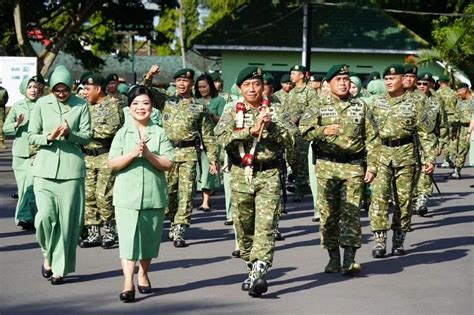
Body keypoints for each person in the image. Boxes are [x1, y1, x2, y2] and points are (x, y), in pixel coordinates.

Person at [215, 66, 294, 297]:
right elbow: (222, 138)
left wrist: (271, 128)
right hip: (241, 174)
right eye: (247, 85)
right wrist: (251, 130)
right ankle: (252, 266)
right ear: (240, 88)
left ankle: (260, 270)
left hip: (269, 174)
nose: (252, 89)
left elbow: (292, 139)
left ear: (264, 87)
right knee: (244, 227)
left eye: (257, 84)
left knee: (266, 225)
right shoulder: (231, 110)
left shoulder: (277, 110)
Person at [299, 64, 377, 275]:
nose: (343, 84)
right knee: (328, 214)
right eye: (339, 80)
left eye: (346, 80)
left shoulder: (360, 106)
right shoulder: (318, 104)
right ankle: (333, 259)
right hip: (327, 167)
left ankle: (349, 260)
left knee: (351, 212)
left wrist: (372, 166)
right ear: (329, 83)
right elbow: (304, 130)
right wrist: (323, 130)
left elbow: (372, 137)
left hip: (353, 166)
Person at [108, 85, 173, 303]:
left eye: (145, 103)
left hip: (153, 195)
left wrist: (148, 154)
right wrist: (133, 154)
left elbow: (168, 163)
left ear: (152, 107)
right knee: (127, 240)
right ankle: (128, 282)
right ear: (129, 108)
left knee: (149, 240)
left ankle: (144, 273)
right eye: (135, 104)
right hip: (126, 196)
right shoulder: (122, 133)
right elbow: (112, 163)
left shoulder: (160, 133)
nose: (140, 107)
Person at [28, 65, 92, 284]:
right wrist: (48, 136)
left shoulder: (81, 105)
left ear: (72, 88)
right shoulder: (41, 105)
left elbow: (87, 136)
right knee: (44, 217)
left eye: (65, 90)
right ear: (51, 88)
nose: (61, 94)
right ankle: (48, 254)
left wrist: (70, 134)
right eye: (57, 90)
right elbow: (31, 135)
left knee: (67, 222)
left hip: (71, 171)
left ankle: (60, 268)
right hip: (44, 170)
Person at [143, 65, 217, 247]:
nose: (182, 84)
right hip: (167, 153)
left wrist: (213, 158)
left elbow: (207, 134)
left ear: (192, 84)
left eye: (185, 81)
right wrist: (150, 75)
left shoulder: (199, 107)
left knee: (186, 194)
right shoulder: (166, 100)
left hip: (189, 154)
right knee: (167, 193)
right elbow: (145, 92)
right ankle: (171, 220)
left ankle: (179, 228)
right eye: (179, 80)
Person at [368, 64, 436, 258]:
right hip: (381, 154)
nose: (389, 82)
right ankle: (379, 240)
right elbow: (369, 132)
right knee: (379, 198)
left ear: (402, 80)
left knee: (404, 200)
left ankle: (399, 238)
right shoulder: (375, 102)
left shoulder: (417, 102)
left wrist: (429, 158)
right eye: (386, 79)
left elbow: (426, 133)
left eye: (393, 78)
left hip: (406, 155)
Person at [79, 74, 124, 249]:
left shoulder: (112, 105)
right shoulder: (84, 106)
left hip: (105, 155)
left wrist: (86, 132)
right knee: (89, 196)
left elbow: (110, 129)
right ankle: (92, 232)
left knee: (104, 195)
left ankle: (109, 230)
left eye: (87, 89)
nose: (84, 92)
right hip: (87, 156)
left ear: (98, 89)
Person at [3, 77, 40, 229]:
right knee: (24, 187)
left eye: (35, 87)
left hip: (38, 152)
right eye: (29, 87)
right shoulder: (17, 106)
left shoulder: (43, 104)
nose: (32, 89)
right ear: (24, 89)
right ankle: (29, 217)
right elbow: (6, 128)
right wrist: (16, 124)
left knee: (31, 185)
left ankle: (24, 217)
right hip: (20, 154)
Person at [412, 72, 447, 216]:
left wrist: (441, 143)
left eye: (425, 84)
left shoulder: (438, 101)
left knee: (427, 170)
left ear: (431, 85)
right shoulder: (410, 99)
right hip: (412, 140)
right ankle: (413, 199)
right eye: (419, 84)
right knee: (413, 171)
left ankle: (422, 200)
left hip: (430, 140)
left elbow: (443, 125)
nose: (421, 86)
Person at [194, 73, 225, 212]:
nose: (202, 89)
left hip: (211, 139)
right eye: (199, 87)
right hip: (195, 140)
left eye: (204, 86)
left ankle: (206, 200)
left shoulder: (219, 101)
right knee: (196, 170)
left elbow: (224, 120)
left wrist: (210, 114)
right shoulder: (194, 101)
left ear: (210, 86)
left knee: (207, 169)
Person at [286, 64, 317, 201]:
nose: (291, 76)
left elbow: (314, 110)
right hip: (292, 132)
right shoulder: (291, 92)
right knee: (292, 159)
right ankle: (302, 184)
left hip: (304, 131)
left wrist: (300, 117)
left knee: (303, 160)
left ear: (302, 75)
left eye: (294, 73)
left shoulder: (310, 92)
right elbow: (287, 111)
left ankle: (300, 188)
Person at [447, 83, 473, 179]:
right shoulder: (460, 101)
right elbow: (457, 116)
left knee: (466, 151)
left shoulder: (472, 101)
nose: (458, 93)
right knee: (460, 150)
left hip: (470, 128)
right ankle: (457, 171)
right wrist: (453, 129)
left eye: (459, 91)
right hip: (461, 128)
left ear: (465, 90)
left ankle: (457, 170)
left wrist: (470, 132)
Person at [436, 75, 460, 168]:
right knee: (453, 138)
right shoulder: (454, 93)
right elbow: (458, 106)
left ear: (439, 82)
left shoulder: (437, 93)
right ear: (448, 82)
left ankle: (446, 159)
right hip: (453, 117)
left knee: (444, 139)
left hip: (443, 119)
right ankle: (450, 157)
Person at [0, 83, 9, 150]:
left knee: (1, 126)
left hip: (1, 110)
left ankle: (1, 142)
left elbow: (5, 99)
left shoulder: (3, 91)